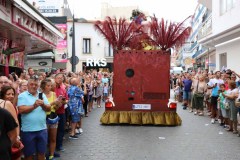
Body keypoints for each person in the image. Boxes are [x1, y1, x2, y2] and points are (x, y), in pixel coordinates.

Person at [17, 76, 51, 160]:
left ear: (38, 86)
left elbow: (49, 108)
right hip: (28, 130)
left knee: (42, 153)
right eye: (31, 84)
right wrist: (34, 105)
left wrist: (42, 104)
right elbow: (21, 110)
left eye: (36, 84)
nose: (33, 86)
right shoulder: (22, 96)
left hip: (42, 129)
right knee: (28, 155)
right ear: (28, 85)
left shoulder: (42, 95)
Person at [40, 79, 61, 160]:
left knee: (53, 138)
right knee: (44, 138)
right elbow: (43, 107)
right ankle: (44, 155)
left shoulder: (53, 94)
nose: (49, 87)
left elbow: (55, 108)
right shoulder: (40, 95)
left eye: (50, 85)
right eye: (48, 85)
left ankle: (51, 155)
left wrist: (58, 103)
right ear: (43, 86)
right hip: (43, 117)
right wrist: (53, 103)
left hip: (53, 117)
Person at [54, 73, 68, 152]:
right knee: (53, 131)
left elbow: (66, 99)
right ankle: (52, 147)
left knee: (61, 129)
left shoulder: (63, 88)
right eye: (58, 77)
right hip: (53, 112)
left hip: (61, 111)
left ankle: (59, 145)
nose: (60, 79)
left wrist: (64, 102)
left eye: (61, 78)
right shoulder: (52, 88)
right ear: (55, 78)